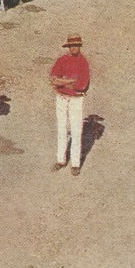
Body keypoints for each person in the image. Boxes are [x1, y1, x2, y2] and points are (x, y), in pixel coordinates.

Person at [49, 34, 91, 176]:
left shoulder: (83, 62)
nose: (74, 48)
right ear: (68, 47)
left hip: (76, 100)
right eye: (71, 46)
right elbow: (53, 80)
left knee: (76, 130)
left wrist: (62, 81)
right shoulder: (62, 60)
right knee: (61, 128)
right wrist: (68, 81)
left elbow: (81, 86)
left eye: (76, 45)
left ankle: (75, 163)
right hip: (61, 98)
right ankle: (61, 160)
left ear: (80, 47)